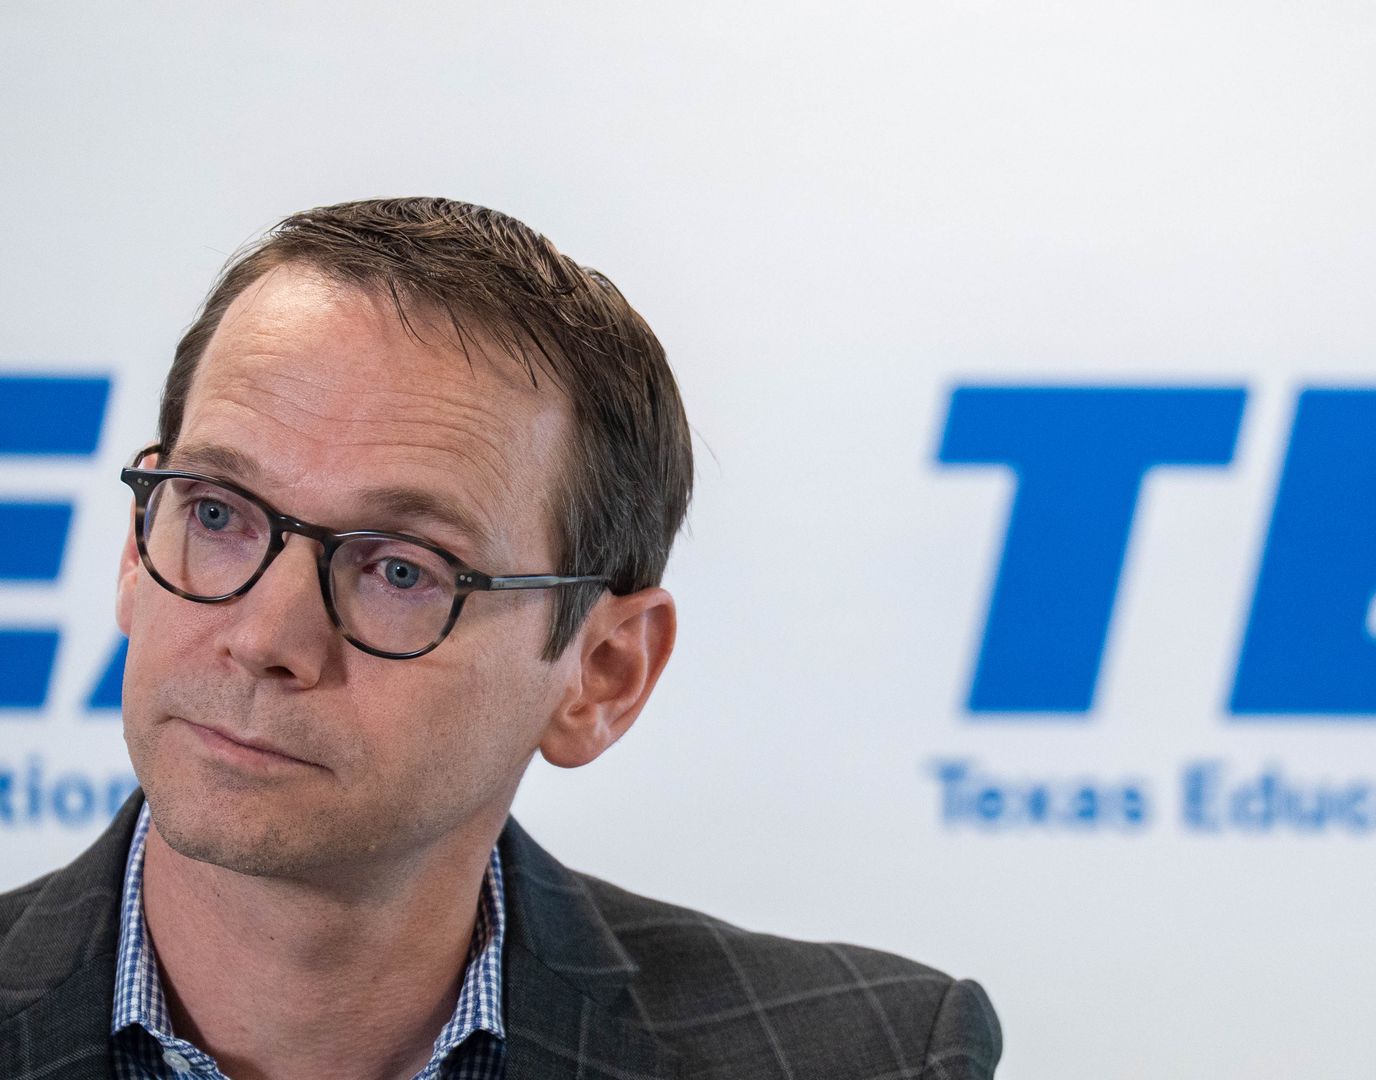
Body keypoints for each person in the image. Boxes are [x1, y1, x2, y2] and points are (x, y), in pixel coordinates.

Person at [0, 198, 1001, 1080]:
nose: (266, 637)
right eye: (218, 514)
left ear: (602, 674)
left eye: (402, 569)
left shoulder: (872, 1058)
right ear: (136, 552)